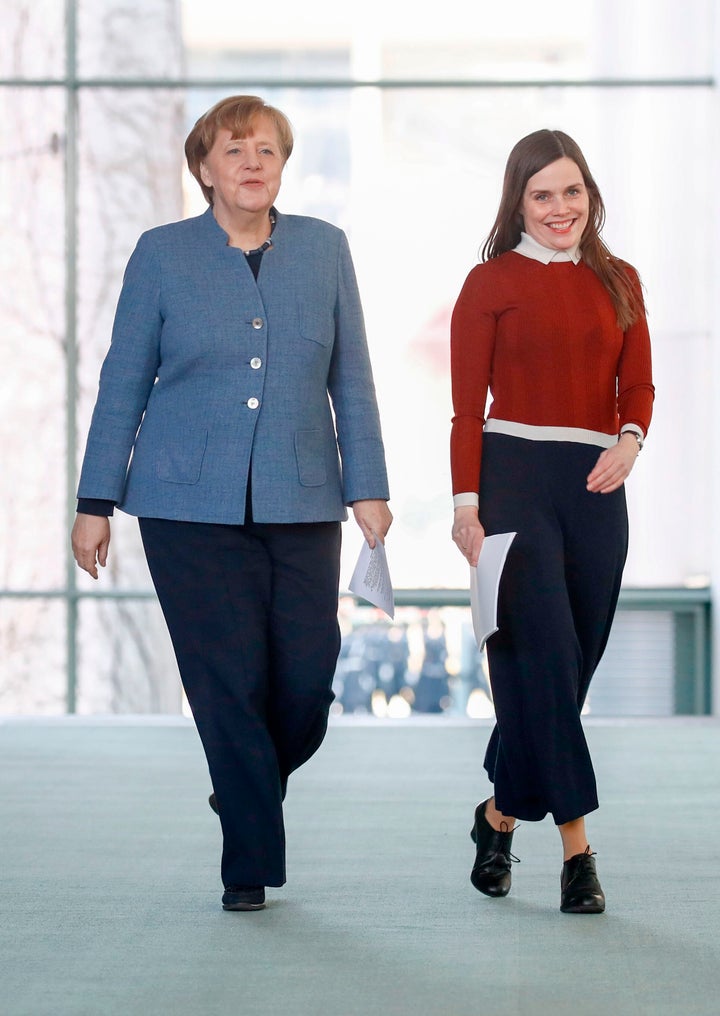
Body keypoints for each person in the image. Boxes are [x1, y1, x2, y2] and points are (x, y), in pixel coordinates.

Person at [72, 95, 392, 912]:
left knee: (306, 685)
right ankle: (247, 862)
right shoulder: (162, 254)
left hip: (304, 497)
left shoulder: (325, 250)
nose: (253, 163)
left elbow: (351, 375)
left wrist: (369, 487)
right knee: (226, 682)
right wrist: (94, 498)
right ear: (205, 168)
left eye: (268, 150)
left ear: (283, 165)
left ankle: (243, 791)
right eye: (235, 149)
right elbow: (123, 380)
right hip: (185, 504)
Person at [450, 129, 653, 914]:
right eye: (543, 195)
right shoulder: (488, 283)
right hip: (513, 479)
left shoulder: (622, 279)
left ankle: (499, 815)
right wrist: (466, 505)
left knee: (569, 668)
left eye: (572, 191)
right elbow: (469, 408)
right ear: (519, 203)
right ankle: (579, 853)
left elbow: (637, 387)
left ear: (589, 195)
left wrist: (630, 443)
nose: (561, 208)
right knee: (541, 655)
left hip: (598, 483)